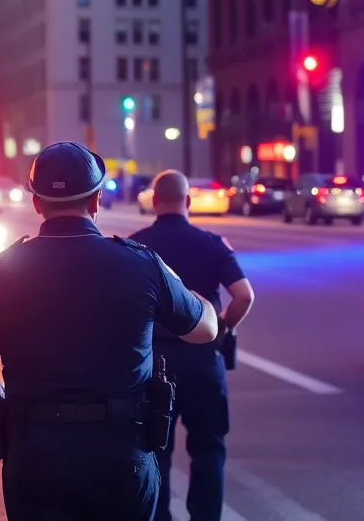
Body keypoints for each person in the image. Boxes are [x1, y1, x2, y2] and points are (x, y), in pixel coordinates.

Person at [0, 141, 220, 520]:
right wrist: (182, 285)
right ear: (95, 201)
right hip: (119, 455)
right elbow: (204, 329)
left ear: (37, 203)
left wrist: (1, 402)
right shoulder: (140, 265)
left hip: (36, 456)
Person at [130, 170, 255, 521]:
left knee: (156, 450)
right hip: (204, 360)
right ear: (188, 202)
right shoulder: (212, 243)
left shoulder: (137, 246)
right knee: (209, 448)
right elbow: (244, 295)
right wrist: (222, 328)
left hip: (155, 365)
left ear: (154, 202)